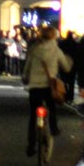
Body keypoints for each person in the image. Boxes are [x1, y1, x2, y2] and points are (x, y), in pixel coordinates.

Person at [22, 25, 72, 157]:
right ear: (54, 36)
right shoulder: (56, 50)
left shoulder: (34, 50)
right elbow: (66, 67)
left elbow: (27, 67)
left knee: (33, 115)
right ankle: (54, 128)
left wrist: (25, 78)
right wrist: (69, 63)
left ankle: (31, 145)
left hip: (35, 86)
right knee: (51, 107)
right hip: (49, 87)